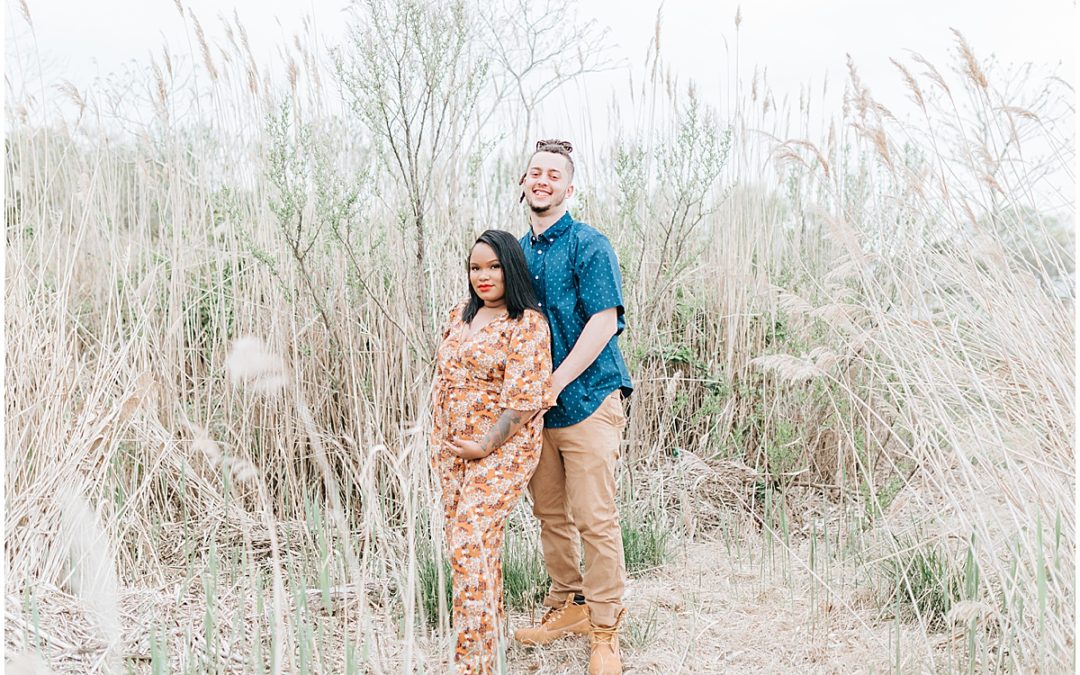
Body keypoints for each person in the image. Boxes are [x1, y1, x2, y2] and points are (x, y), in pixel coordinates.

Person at [512, 139, 633, 675]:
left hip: (588, 398)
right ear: (523, 182)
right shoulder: (514, 253)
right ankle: (567, 605)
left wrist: (554, 382)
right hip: (538, 411)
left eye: (553, 174)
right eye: (535, 172)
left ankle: (605, 630)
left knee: (594, 518)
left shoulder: (589, 244)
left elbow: (604, 321)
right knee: (550, 515)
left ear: (569, 187)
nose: (542, 180)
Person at [431, 229, 554, 674]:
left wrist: (484, 443)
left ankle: (472, 663)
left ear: (511, 268)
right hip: (450, 448)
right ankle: (489, 648)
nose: (483, 276)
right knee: (470, 547)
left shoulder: (527, 325)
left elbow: (523, 400)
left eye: (494, 266)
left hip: (502, 449)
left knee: (470, 539)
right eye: (475, 267)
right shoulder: (459, 314)